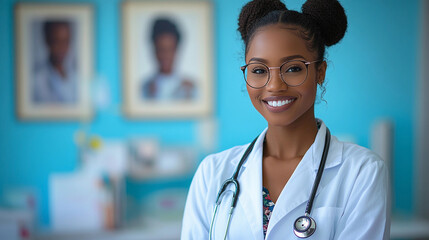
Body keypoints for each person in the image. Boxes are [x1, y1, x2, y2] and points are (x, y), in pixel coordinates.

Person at [181, 0, 390, 239]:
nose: (274, 86)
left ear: (319, 72)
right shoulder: (212, 173)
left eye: (293, 68)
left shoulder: (362, 171)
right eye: (259, 70)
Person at [141, 18, 196, 101]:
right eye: (161, 49)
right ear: (154, 50)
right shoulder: (144, 88)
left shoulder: (190, 88)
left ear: (177, 50)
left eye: (170, 50)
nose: (165, 55)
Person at [33, 20, 77, 104]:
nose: (62, 48)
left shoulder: (77, 76)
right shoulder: (36, 79)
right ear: (47, 41)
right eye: (56, 41)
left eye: (65, 41)